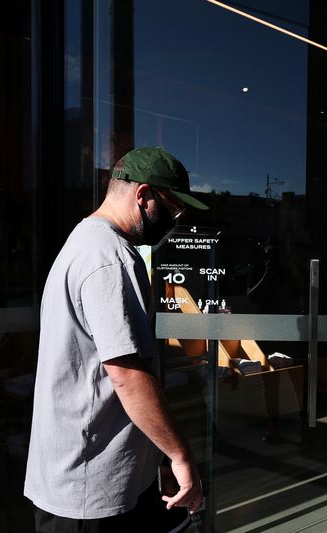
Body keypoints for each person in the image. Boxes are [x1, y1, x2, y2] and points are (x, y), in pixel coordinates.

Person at [24, 146, 209, 532]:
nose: (175, 221)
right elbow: (126, 374)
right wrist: (179, 455)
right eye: (172, 209)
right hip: (90, 489)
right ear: (143, 196)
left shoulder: (82, 242)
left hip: (75, 475)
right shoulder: (111, 257)